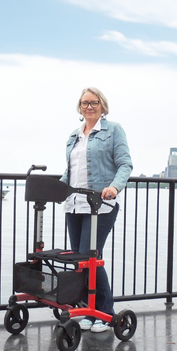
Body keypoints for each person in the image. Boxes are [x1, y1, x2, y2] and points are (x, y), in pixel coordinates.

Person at [60, 87, 133, 333]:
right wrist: (55, 189)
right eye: (84, 103)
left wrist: (114, 186)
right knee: (81, 261)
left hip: (100, 205)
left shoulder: (113, 131)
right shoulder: (74, 135)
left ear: (102, 105)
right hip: (74, 204)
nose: (89, 107)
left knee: (91, 257)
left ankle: (106, 312)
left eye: (93, 102)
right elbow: (69, 172)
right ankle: (89, 311)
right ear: (79, 108)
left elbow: (125, 164)